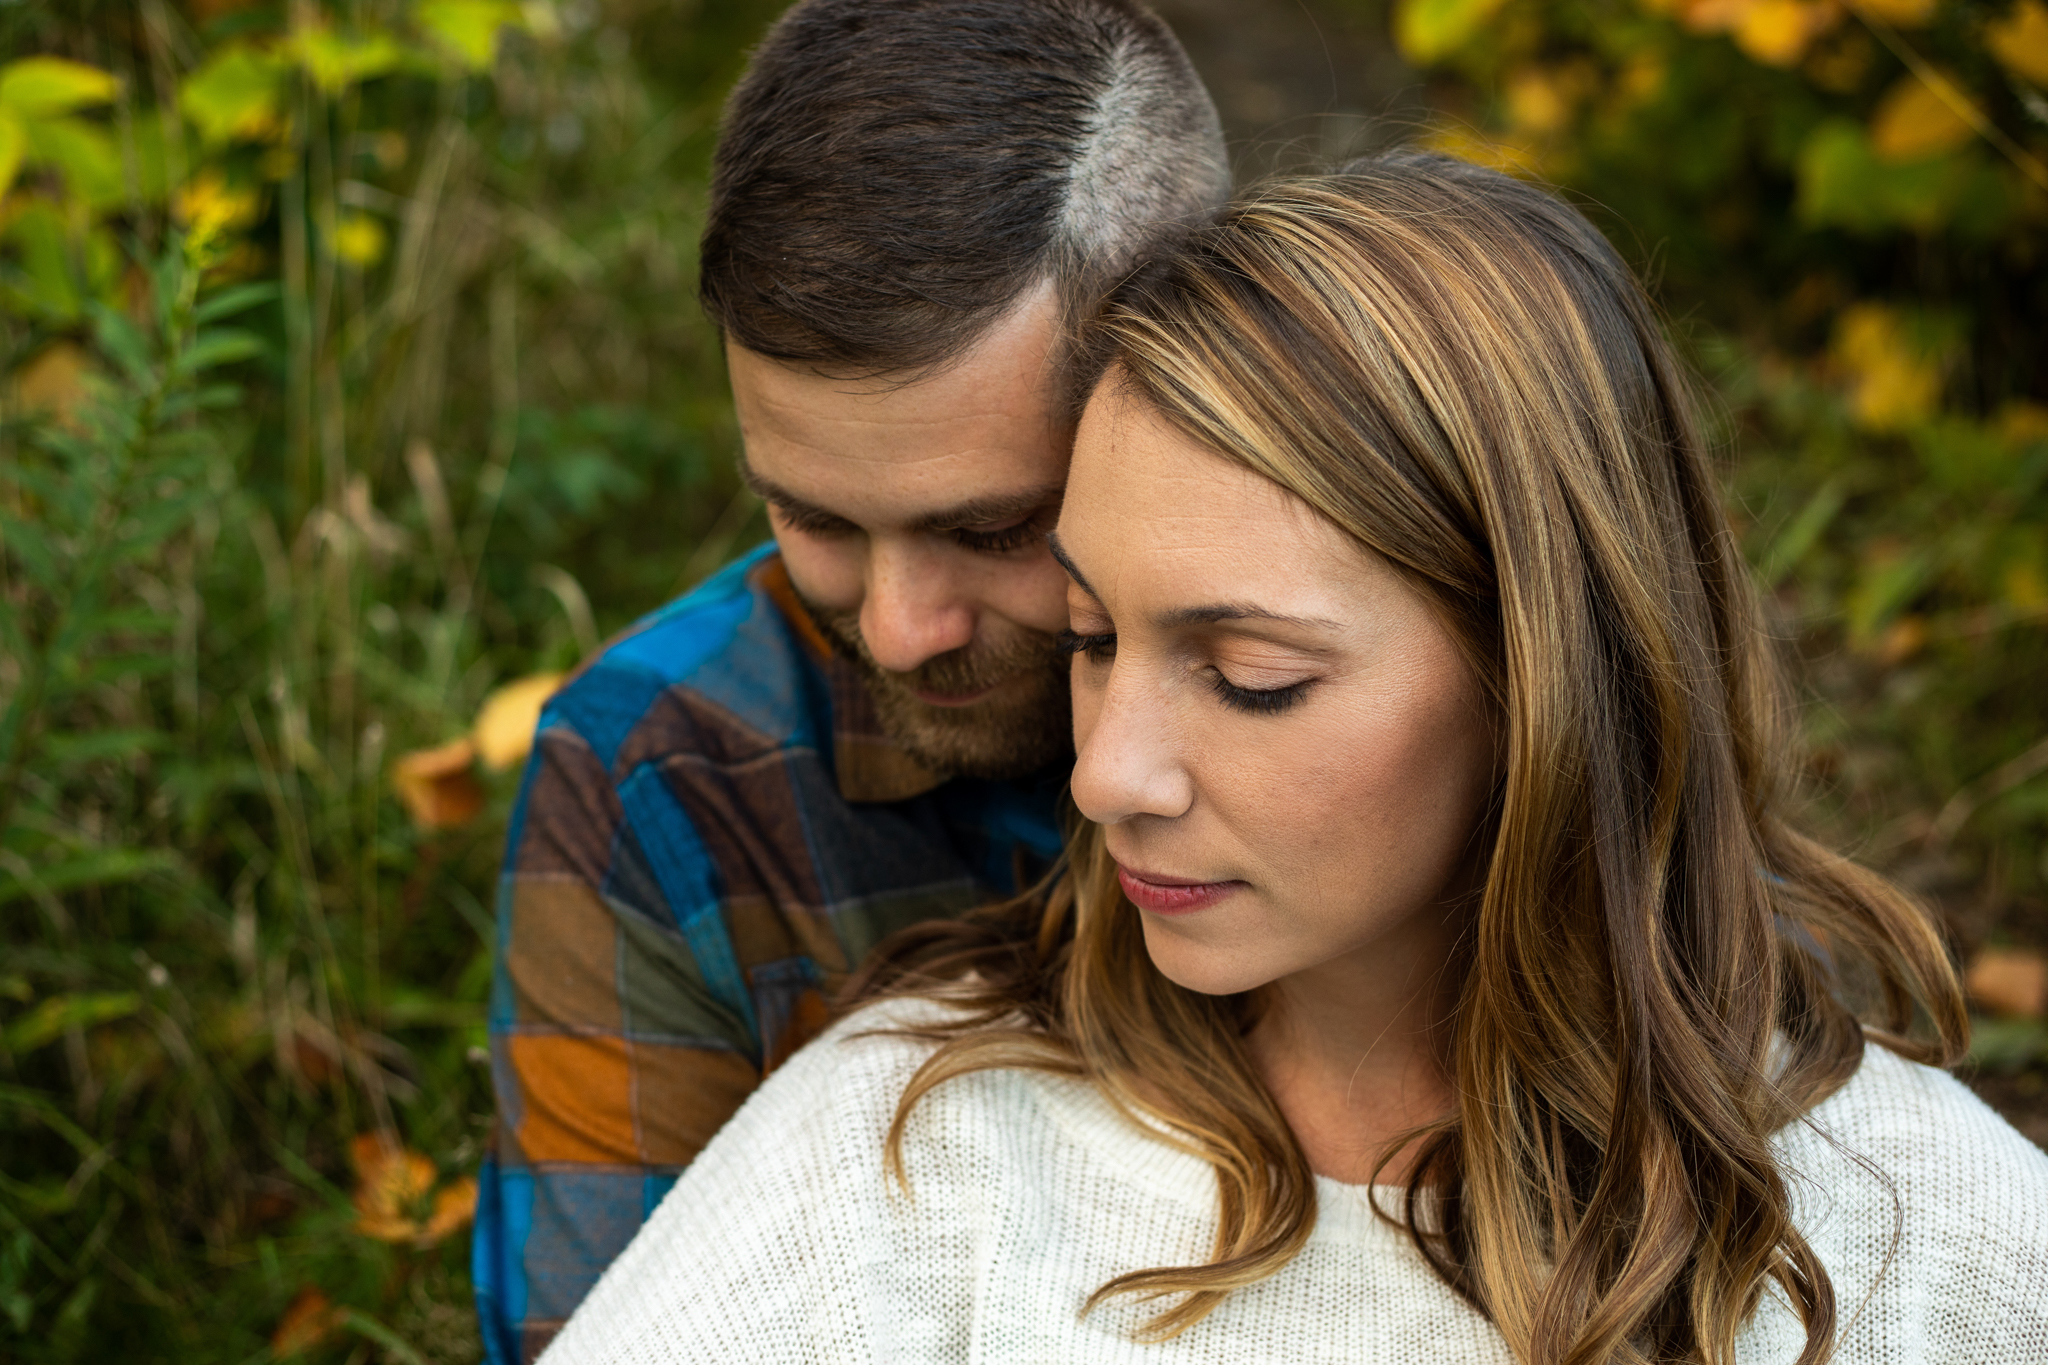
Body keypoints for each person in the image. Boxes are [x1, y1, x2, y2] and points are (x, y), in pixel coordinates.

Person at [534, 154, 2048, 1364]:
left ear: (1548, 684)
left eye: (1251, 677)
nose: (1108, 774)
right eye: (1092, 635)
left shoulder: (1937, 1236)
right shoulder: (905, 1156)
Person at [471, 1, 1230, 1359]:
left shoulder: (1414, 701)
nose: (896, 628)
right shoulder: (666, 770)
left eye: (992, 528)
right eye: (814, 518)